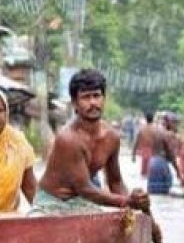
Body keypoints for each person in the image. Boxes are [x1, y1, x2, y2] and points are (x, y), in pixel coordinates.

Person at [34, 69, 149, 214]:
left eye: (97, 96)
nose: (93, 103)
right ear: (75, 103)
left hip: (82, 202)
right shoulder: (68, 139)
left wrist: (137, 207)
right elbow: (85, 189)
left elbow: (115, 182)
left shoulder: (112, 137)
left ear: (104, 99)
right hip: (51, 202)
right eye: (86, 97)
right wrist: (126, 202)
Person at [147, 112, 183, 195]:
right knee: (165, 192)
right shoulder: (168, 134)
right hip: (161, 164)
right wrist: (178, 171)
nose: (176, 125)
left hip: (152, 163)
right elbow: (171, 154)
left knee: (154, 192)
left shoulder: (156, 131)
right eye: (174, 123)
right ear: (168, 122)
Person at [132, 111, 156, 178]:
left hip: (144, 152)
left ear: (146, 119)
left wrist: (133, 155)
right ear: (153, 119)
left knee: (144, 174)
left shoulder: (142, 130)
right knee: (151, 173)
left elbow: (136, 142)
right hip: (154, 152)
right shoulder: (156, 129)